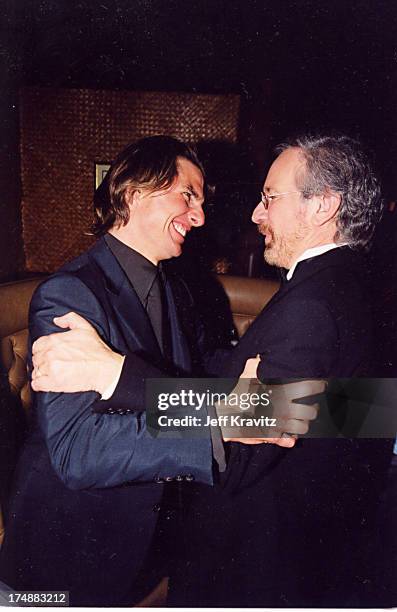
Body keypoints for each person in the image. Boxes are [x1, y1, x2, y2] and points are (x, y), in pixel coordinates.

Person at [28, 134, 394, 607]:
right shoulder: (69, 295)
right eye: (189, 196)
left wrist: (119, 375)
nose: (203, 218)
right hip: (77, 550)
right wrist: (248, 411)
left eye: (269, 198)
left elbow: (281, 416)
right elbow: (77, 451)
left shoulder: (297, 297)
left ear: (322, 206)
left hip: (212, 548)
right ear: (137, 191)